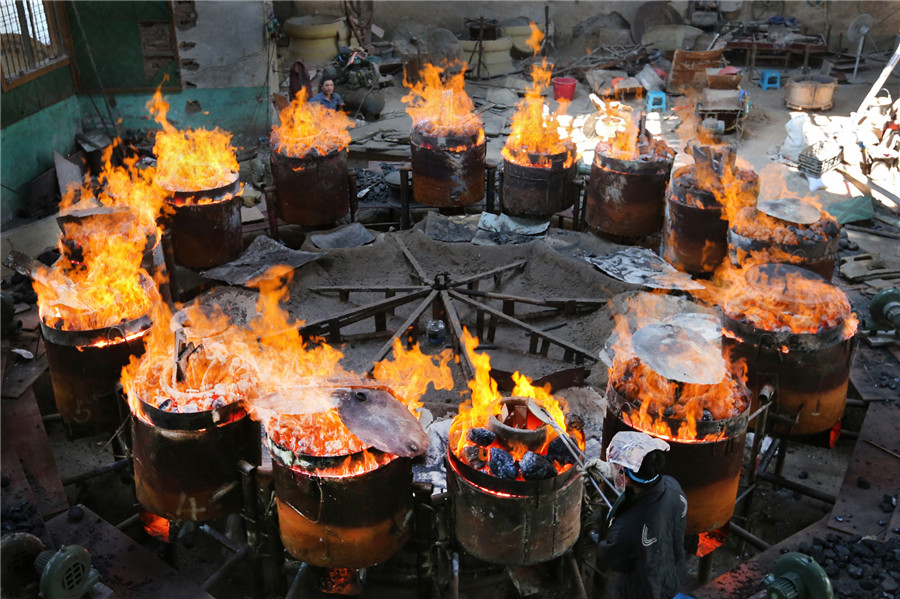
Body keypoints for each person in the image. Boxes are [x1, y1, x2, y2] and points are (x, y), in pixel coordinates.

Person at [596, 431, 688, 599]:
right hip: (673, 572)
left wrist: (601, 545)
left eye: (616, 468)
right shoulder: (673, 485)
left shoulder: (628, 526)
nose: (614, 470)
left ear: (627, 478)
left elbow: (615, 559)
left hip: (641, 590)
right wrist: (612, 472)